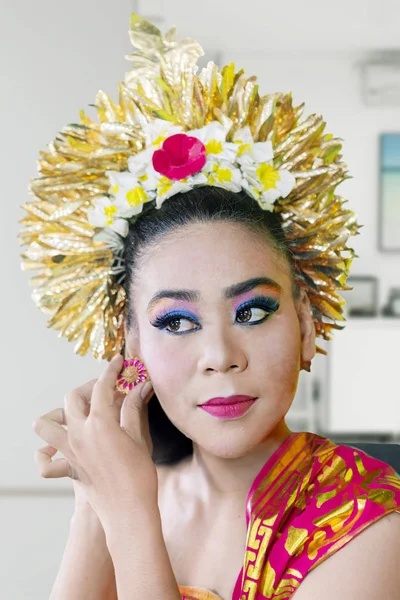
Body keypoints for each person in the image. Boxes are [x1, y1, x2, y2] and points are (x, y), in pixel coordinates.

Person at [22, 13, 400, 600]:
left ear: (305, 322)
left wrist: (129, 516)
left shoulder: (367, 523)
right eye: (176, 321)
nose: (220, 356)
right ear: (131, 346)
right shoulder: (138, 487)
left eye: (252, 312)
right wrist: (95, 502)